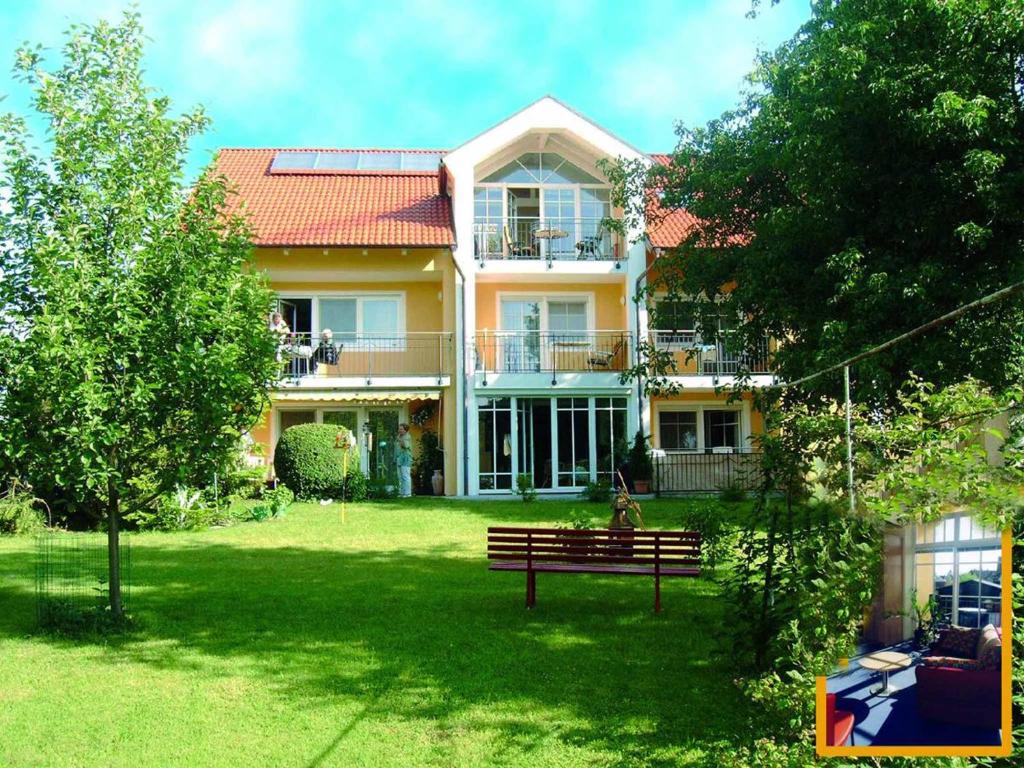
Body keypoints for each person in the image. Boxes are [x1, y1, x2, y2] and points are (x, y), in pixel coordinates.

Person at [396, 423, 413, 497]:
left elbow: (405, 446)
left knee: (405, 476)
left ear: (405, 430)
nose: (399, 430)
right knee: (400, 476)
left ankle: (408, 493)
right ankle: (401, 492)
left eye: (401, 429)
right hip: (399, 458)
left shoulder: (407, 436)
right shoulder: (399, 436)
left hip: (406, 459)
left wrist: (399, 440)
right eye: (399, 429)